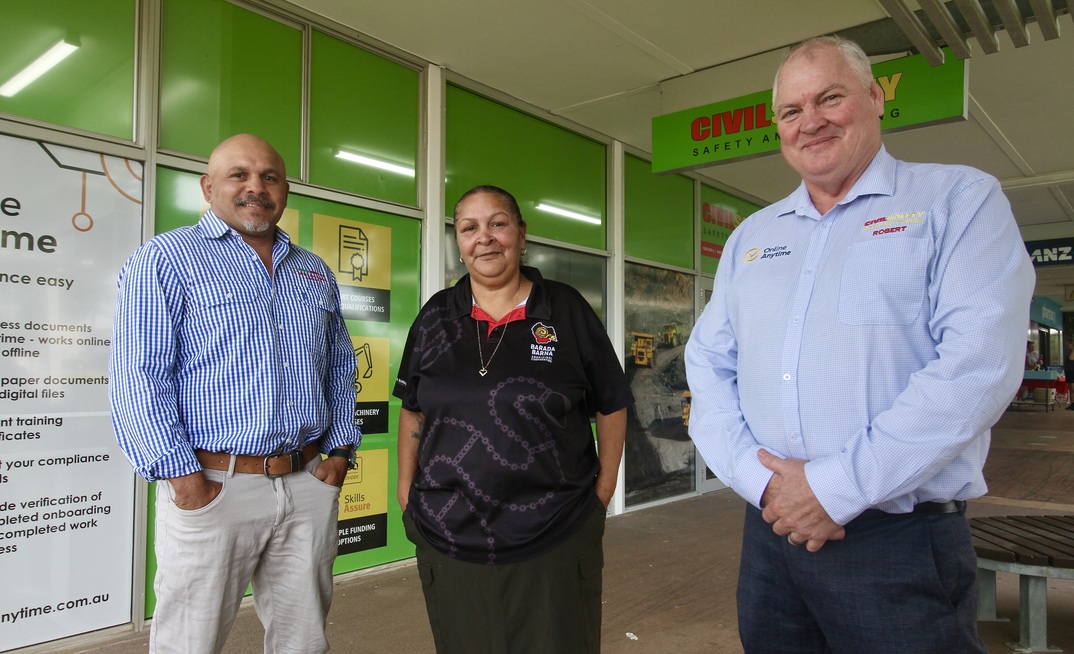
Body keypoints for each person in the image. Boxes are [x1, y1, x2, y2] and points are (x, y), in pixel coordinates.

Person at [684, 36, 1034, 654]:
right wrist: (762, 484)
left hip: (897, 544)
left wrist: (835, 488)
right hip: (771, 537)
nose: (810, 121)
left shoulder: (958, 200)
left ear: (874, 98)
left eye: (829, 98)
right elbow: (709, 368)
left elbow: (978, 367)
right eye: (791, 112)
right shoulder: (751, 238)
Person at [109, 134, 360, 653]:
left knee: (304, 639)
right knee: (189, 642)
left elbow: (338, 366)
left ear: (285, 188)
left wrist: (338, 452)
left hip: (307, 482)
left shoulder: (312, 271)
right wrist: (184, 480)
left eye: (269, 176)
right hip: (214, 484)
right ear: (207, 187)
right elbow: (139, 376)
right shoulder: (165, 260)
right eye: (238, 175)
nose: (256, 187)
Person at [394, 185, 632, 654]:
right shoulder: (435, 318)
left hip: (555, 534)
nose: (485, 237)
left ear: (521, 236)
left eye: (498, 223)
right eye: (469, 228)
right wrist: (406, 495)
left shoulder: (565, 310)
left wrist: (601, 493)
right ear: (459, 243)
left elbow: (611, 403)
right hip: (450, 536)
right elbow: (413, 410)